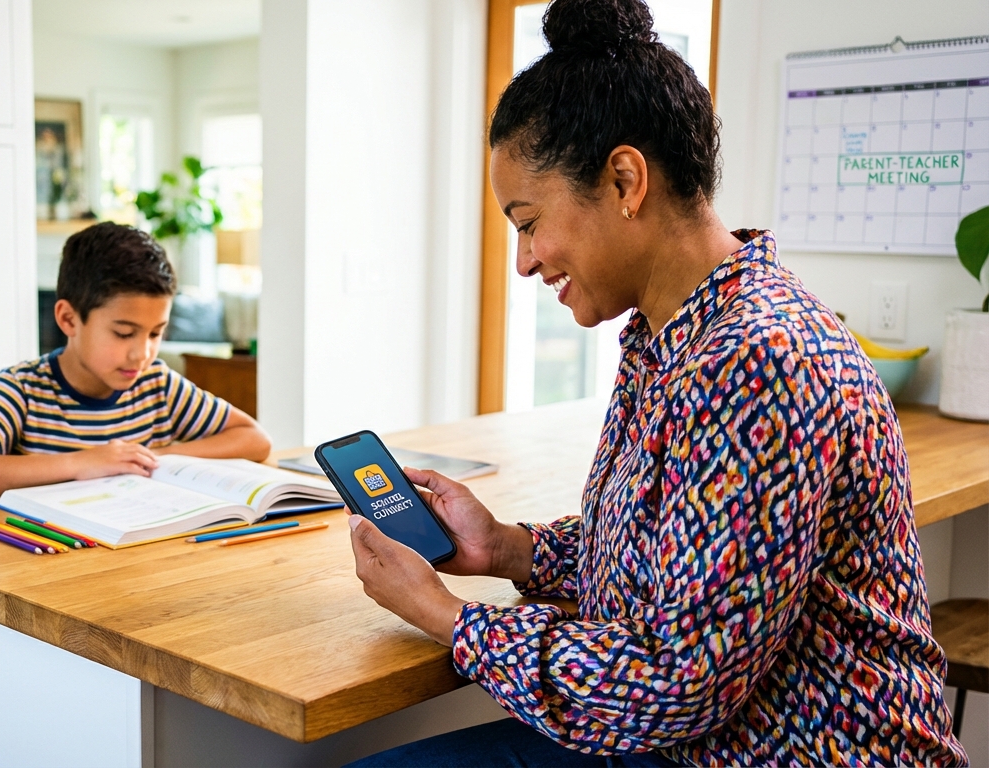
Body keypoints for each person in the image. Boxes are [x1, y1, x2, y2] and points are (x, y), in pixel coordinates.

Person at [344, 0, 967, 765]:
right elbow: (669, 567)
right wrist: (506, 550)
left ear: (625, 179)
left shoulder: (756, 360)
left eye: (528, 221)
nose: (525, 261)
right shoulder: (671, 336)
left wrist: (447, 617)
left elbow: (674, 684)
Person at [0, 222, 270, 500]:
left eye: (155, 334)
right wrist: (83, 463)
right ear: (68, 320)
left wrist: (147, 459)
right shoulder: (21, 389)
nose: (142, 354)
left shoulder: (156, 384)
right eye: (124, 333)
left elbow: (253, 438)